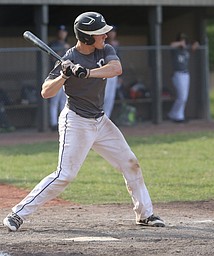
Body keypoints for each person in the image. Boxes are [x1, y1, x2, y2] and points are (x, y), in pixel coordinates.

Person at [3, 11, 165, 232]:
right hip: (76, 121)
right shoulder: (69, 58)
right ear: (87, 37)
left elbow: (116, 69)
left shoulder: (106, 50)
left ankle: (145, 214)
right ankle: (17, 214)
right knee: (65, 175)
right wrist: (64, 75)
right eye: (100, 34)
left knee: (131, 163)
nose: (106, 36)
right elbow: (45, 92)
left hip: (100, 121)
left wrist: (86, 72)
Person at [167, 32, 199, 123]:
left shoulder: (186, 49)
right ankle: (173, 114)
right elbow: (171, 45)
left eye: (184, 40)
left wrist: (194, 44)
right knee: (182, 97)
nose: (183, 41)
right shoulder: (176, 49)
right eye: (181, 40)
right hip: (178, 74)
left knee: (184, 97)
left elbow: (194, 46)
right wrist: (180, 43)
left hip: (186, 74)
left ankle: (179, 116)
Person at [48, 25, 70, 131]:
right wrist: (64, 49)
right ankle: (53, 123)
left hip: (66, 75)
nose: (62, 33)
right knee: (54, 100)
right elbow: (54, 58)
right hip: (56, 74)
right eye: (60, 31)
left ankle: (63, 122)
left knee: (63, 100)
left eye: (64, 32)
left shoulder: (68, 45)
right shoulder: (54, 44)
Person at [103, 26, 120, 118]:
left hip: (115, 73)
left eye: (114, 32)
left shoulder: (116, 44)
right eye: (110, 32)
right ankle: (100, 119)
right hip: (105, 72)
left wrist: (120, 77)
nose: (112, 34)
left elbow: (120, 60)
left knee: (111, 97)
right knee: (104, 97)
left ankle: (107, 118)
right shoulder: (102, 44)